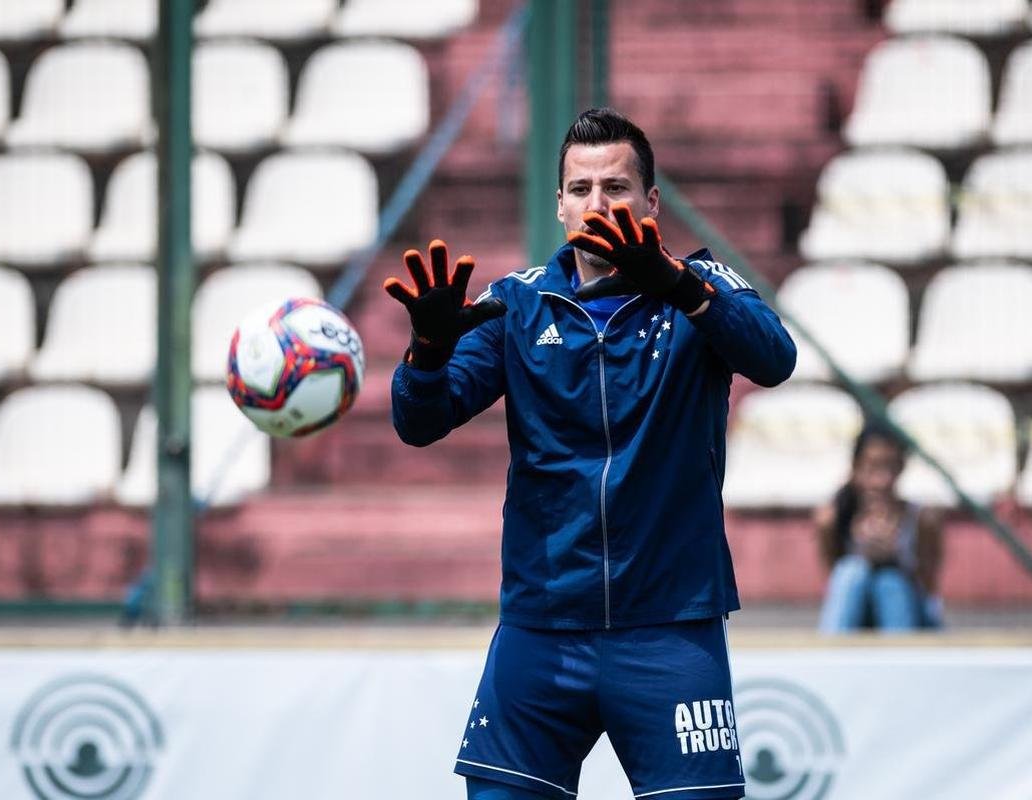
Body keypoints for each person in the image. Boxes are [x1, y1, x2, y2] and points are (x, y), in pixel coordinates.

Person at [385, 107, 796, 800]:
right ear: (559, 205)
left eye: (616, 187)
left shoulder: (700, 288)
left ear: (651, 201)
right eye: (580, 189)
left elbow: (774, 358)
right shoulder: (518, 305)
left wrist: (676, 283)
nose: (597, 204)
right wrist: (426, 352)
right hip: (542, 627)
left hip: (669, 628)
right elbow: (419, 422)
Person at [815, 423, 943, 634]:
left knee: (889, 582)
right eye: (872, 467)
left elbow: (928, 591)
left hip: (908, 614)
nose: (882, 480)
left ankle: (901, 652)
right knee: (851, 571)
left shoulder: (921, 519)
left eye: (890, 467)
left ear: (902, 468)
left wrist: (895, 559)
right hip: (858, 615)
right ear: (856, 468)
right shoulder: (834, 518)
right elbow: (834, 584)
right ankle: (833, 648)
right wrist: (863, 554)